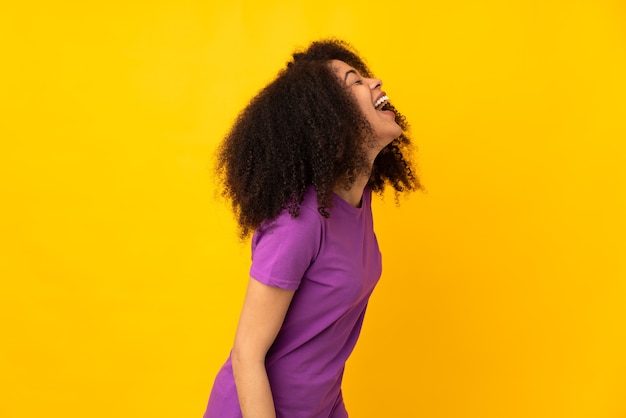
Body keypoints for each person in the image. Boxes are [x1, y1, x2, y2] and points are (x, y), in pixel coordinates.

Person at [204, 39, 420, 418]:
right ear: (331, 118)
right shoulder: (298, 222)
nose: (376, 82)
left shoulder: (357, 202)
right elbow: (246, 354)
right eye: (356, 81)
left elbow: (321, 349)